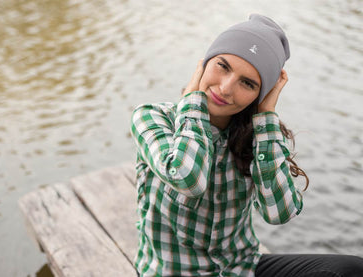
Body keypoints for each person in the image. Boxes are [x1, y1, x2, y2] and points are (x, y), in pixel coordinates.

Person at [130, 14, 363, 277]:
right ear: (204, 64)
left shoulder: (259, 135)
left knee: (349, 269)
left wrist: (266, 115)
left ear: (258, 94)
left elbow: (279, 212)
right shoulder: (152, 117)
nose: (226, 88)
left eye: (248, 83)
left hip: (241, 269)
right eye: (222, 66)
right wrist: (193, 102)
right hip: (173, 272)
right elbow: (188, 178)